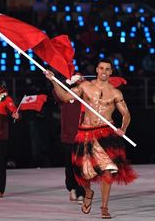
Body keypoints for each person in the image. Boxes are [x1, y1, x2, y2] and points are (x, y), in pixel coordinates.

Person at [45, 59, 137, 219]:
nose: (104, 71)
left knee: (107, 171)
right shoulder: (85, 86)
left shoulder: (116, 93)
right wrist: (53, 81)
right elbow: (65, 97)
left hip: (106, 134)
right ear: (96, 69)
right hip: (85, 133)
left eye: (107, 69)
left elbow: (126, 115)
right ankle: (88, 192)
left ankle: (104, 207)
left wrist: (123, 129)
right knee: (83, 172)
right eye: (101, 68)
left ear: (111, 72)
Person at [52, 75, 85, 204]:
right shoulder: (63, 95)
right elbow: (58, 93)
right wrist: (54, 80)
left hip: (82, 135)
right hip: (67, 137)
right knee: (69, 165)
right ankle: (71, 188)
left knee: (81, 166)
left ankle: (81, 192)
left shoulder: (85, 96)